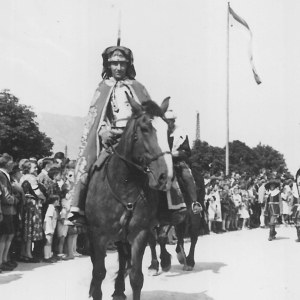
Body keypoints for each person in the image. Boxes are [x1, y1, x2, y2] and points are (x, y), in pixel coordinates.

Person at [70, 46, 152, 226]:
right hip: (111, 140)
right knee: (89, 168)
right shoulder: (102, 88)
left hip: (135, 138)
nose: (118, 68)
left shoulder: (138, 88)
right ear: (108, 66)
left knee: (157, 167)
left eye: (122, 63)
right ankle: (79, 209)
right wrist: (103, 131)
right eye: (114, 64)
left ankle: (166, 209)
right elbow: (96, 118)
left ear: (128, 65)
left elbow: (148, 117)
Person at [164, 109, 202, 214]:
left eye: (169, 121)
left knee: (187, 176)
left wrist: (176, 153)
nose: (167, 123)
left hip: (177, 161)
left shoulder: (181, 133)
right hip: (162, 160)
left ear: (173, 121)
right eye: (166, 121)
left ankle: (195, 202)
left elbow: (187, 151)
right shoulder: (160, 132)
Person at [0, 154, 19, 271]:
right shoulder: (1, 176)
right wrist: (16, 200)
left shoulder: (4, 175)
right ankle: (2, 261)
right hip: (5, 210)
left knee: (8, 235)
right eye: (12, 162)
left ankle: (4, 259)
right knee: (3, 236)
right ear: (7, 164)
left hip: (8, 210)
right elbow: (6, 196)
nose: (13, 164)